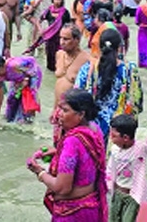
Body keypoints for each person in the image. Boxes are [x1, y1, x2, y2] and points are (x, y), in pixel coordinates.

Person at [27, 88, 108, 221]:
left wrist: (40, 172)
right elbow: (85, 159)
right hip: (91, 206)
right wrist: (57, 152)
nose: (59, 114)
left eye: (65, 110)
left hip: (72, 213)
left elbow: (62, 187)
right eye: (59, 109)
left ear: (81, 114)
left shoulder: (72, 141)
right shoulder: (94, 129)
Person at [74, 28, 143, 141]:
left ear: (99, 46)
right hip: (118, 131)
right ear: (120, 48)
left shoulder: (88, 69)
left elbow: (76, 97)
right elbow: (137, 103)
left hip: (91, 128)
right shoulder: (130, 70)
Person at [105, 114, 147, 222]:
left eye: (114, 136)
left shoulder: (140, 148)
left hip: (132, 197)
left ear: (126, 138)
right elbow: (110, 169)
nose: (111, 138)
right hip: (117, 194)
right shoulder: (114, 150)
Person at [0, 55, 44, 123]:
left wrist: (26, 80)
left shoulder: (13, 66)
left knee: (28, 97)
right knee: (11, 99)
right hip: (17, 78)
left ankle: (30, 119)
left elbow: (32, 64)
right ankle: (10, 118)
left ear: (1, 67)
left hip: (33, 73)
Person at [26, 0, 71, 71]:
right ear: (52, 0)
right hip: (50, 38)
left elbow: (69, 25)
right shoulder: (48, 11)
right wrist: (40, 30)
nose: (57, 1)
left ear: (62, 0)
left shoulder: (65, 12)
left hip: (61, 38)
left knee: (61, 57)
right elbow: (38, 20)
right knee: (50, 57)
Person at [53, 24, 91, 106]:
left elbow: (89, 90)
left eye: (66, 39)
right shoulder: (59, 54)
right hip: (57, 108)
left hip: (72, 111)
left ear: (77, 40)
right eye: (60, 38)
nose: (61, 42)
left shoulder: (86, 60)